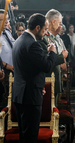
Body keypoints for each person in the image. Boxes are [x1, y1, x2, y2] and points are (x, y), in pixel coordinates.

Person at [12, 13, 57, 143]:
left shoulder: (19, 40)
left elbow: (29, 69)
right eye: (45, 29)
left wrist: (38, 85)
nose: (45, 33)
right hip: (30, 98)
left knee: (24, 135)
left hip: (20, 94)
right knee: (30, 136)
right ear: (38, 28)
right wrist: (52, 52)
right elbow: (47, 66)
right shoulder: (33, 44)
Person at [39, 9, 68, 106]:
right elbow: (46, 59)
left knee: (53, 108)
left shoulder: (58, 38)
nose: (61, 25)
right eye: (60, 23)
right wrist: (62, 57)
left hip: (56, 77)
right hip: (48, 78)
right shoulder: (44, 38)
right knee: (48, 109)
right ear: (53, 22)